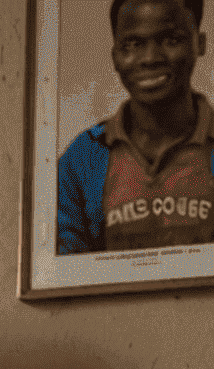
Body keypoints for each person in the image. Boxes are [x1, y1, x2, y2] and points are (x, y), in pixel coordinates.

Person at [57, 0, 214, 252]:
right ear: (115, 57)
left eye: (171, 40)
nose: (149, 58)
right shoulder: (81, 161)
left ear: (200, 43)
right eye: (132, 45)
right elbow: (66, 278)